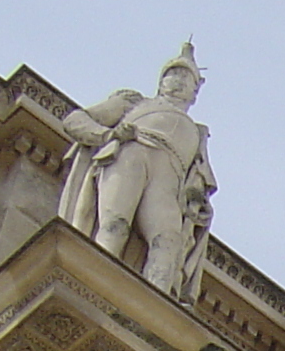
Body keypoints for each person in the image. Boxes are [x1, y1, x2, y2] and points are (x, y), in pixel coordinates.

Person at [57, 43, 216, 302]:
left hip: (169, 178)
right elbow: (75, 120)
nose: (177, 80)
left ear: (195, 92)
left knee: (168, 242)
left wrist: (198, 197)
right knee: (114, 226)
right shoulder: (134, 102)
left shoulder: (198, 133)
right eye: (172, 74)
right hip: (131, 155)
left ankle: (154, 308)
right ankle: (90, 289)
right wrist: (108, 135)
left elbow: (200, 177)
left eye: (185, 77)